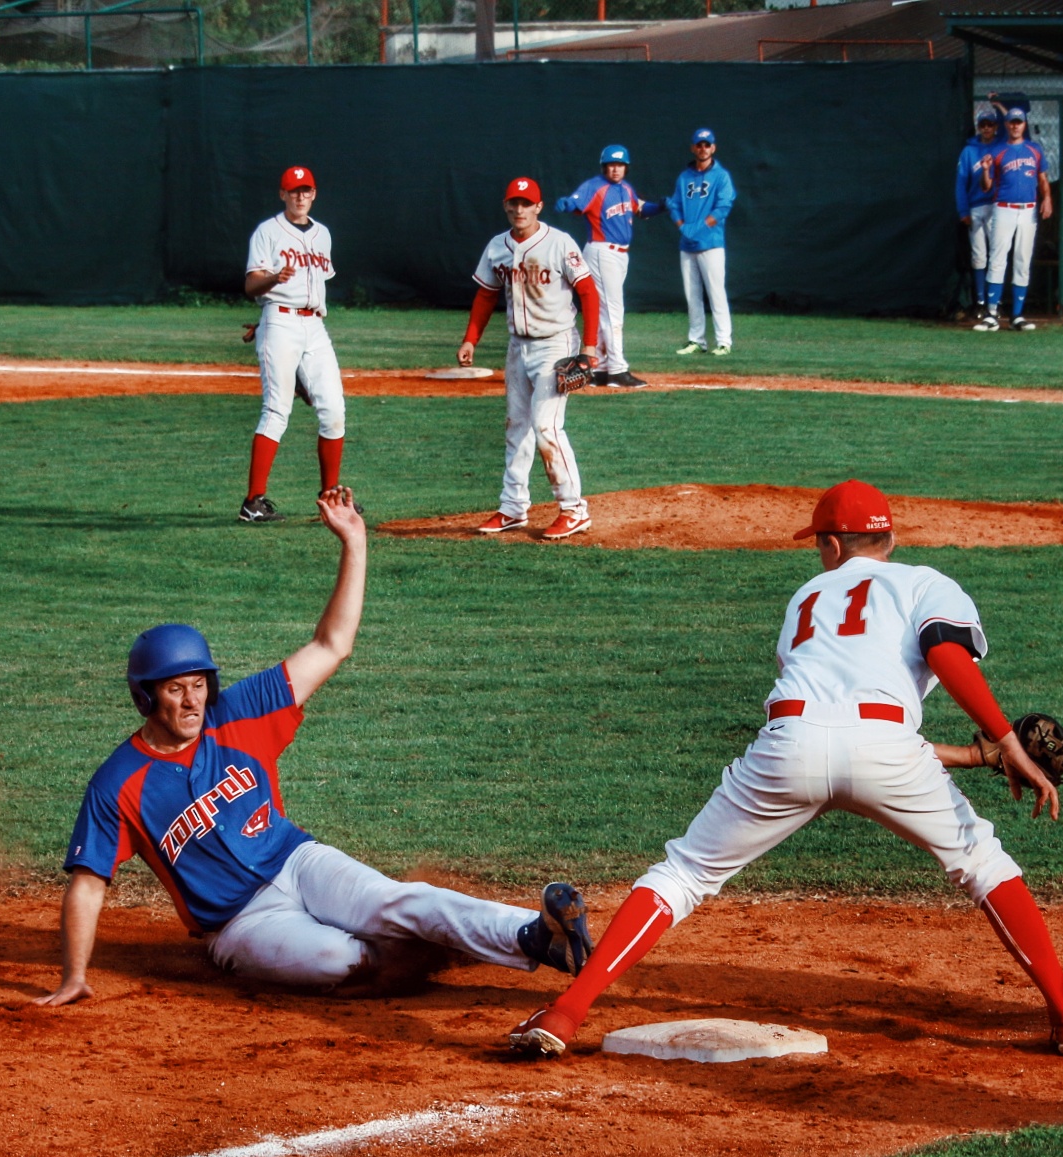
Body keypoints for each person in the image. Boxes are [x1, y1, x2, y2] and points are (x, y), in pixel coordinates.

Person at [505, 480, 1063, 1061]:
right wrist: (1005, 741)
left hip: (789, 745)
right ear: (890, 540)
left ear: (832, 545)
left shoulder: (806, 598)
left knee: (683, 874)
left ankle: (566, 1013)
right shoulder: (925, 582)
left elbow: (830, 723)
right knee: (982, 864)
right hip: (887, 748)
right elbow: (932, 666)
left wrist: (974, 755)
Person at [36, 487, 594, 1007]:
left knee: (394, 900)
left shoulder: (239, 712)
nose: (191, 701)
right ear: (145, 697)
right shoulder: (119, 783)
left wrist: (354, 542)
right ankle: (422, 949)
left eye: (199, 685)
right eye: (175, 689)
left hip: (299, 861)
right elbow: (88, 882)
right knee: (338, 958)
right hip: (239, 923)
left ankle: (535, 936)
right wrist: (73, 975)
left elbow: (332, 644)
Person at [459, 177, 602, 541]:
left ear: (539, 207)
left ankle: (574, 509)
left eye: (526, 203)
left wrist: (588, 347)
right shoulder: (498, 246)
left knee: (546, 426)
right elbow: (486, 295)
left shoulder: (559, 243)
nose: (519, 209)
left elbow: (588, 293)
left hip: (556, 343)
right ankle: (513, 507)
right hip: (517, 346)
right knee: (516, 427)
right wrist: (471, 339)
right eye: (514, 203)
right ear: (506, 206)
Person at [239, 167, 352, 525]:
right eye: (293, 191)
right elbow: (251, 285)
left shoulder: (322, 234)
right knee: (277, 410)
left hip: (314, 326)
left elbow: (314, 287)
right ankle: (253, 502)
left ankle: (330, 498)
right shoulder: (268, 232)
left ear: (314, 194)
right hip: (280, 322)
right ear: (282, 194)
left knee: (334, 410)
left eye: (306, 190)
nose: (300, 197)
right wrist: (274, 279)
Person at [555, 145, 665, 389]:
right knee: (613, 311)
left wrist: (660, 207)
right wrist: (567, 204)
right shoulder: (595, 186)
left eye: (620, 165)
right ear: (604, 167)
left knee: (605, 310)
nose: (616, 169)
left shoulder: (626, 188)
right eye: (611, 165)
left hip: (619, 255)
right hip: (602, 252)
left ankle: (601, 369)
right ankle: (617, 370)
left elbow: (640, 208)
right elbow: (575, 202)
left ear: (626, 167)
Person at [974, 107, 1051, 334]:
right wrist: (985, 171)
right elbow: (986, 187)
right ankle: (991, 315)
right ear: (1006, 125)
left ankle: (1017, 315)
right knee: (997, 259)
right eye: (1012, 122)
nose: (1015, 125)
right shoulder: (998, 150)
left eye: (1019, 121)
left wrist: (1047, 198)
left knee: (1022, 260)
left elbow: (1043, 179)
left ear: (1024, 124)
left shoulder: (1034, 149)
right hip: (1003, 208)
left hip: (1028, 210)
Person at [668, 128, 737, 357]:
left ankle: (724, 341)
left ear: (713, 148)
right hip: (687, 245)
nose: (703, 148)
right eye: (699, 144)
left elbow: (724, 207)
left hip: (711, 244)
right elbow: (675, 205)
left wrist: (699, 227)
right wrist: (682, 226)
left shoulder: (721, 176)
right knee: (692, 296)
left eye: (707, 145)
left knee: (716, 293)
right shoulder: (684, 177)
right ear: (693, 148)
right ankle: (696, 340)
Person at [954, 107, 1000, 319]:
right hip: (975, 206)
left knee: (997, 255)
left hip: (997, 206)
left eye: (990, 124)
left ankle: (995, 302)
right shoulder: (969, 151)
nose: (987, 128)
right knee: (978, 256)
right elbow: (961, 182)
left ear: (996, 127)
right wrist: (963, 210)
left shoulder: (1001, 147)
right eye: (983, 125)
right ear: (978, 127)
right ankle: (980, 302)